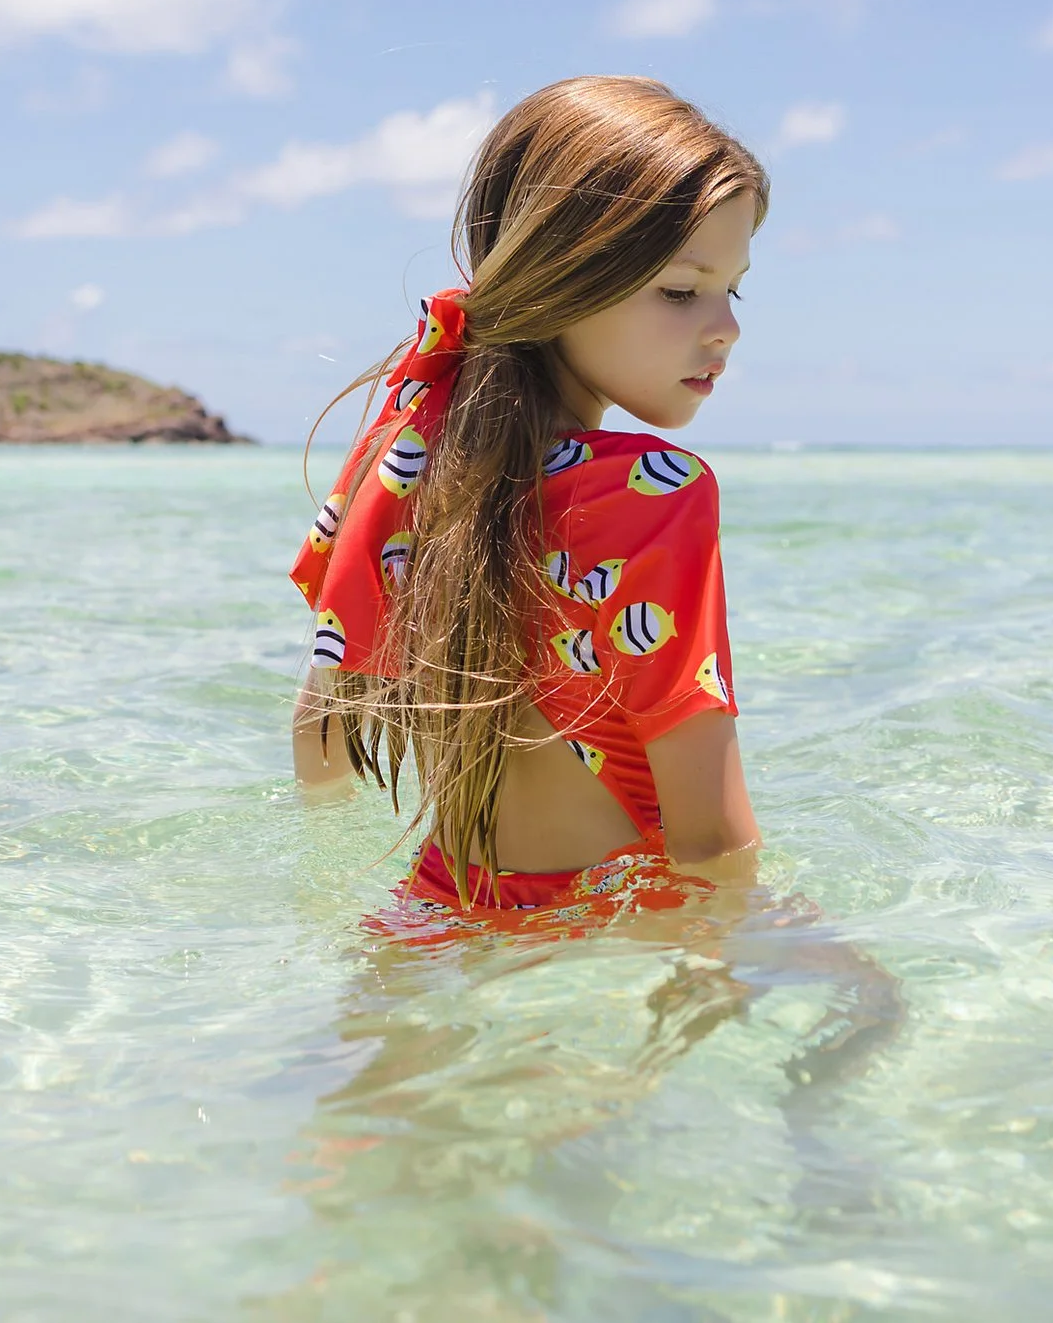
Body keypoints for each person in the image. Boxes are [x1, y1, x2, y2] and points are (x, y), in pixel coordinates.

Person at [289, 75, 766, 918]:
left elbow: (320, 731)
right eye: (682, 289)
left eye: (737, 287)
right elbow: (710, 841)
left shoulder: (411, 440)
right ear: (561, 277)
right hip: (597, 940)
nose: (726, 324)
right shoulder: (656, 493)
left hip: (426, 915)